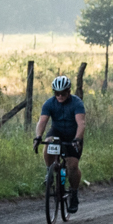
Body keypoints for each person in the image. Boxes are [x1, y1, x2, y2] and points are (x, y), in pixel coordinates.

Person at [34, 74, 86, 209]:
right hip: (57, 132)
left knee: (72, 166)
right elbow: (42, 121)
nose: (60, 96)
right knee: (48, 141)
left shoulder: (77, 103)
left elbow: (81, 124)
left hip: (73, 135)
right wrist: (38, 137)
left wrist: (77, 139)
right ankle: (49, 171)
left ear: (69, 92)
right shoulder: (49, 103)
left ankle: (74, 193)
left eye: (63, 93)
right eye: (57, 93)